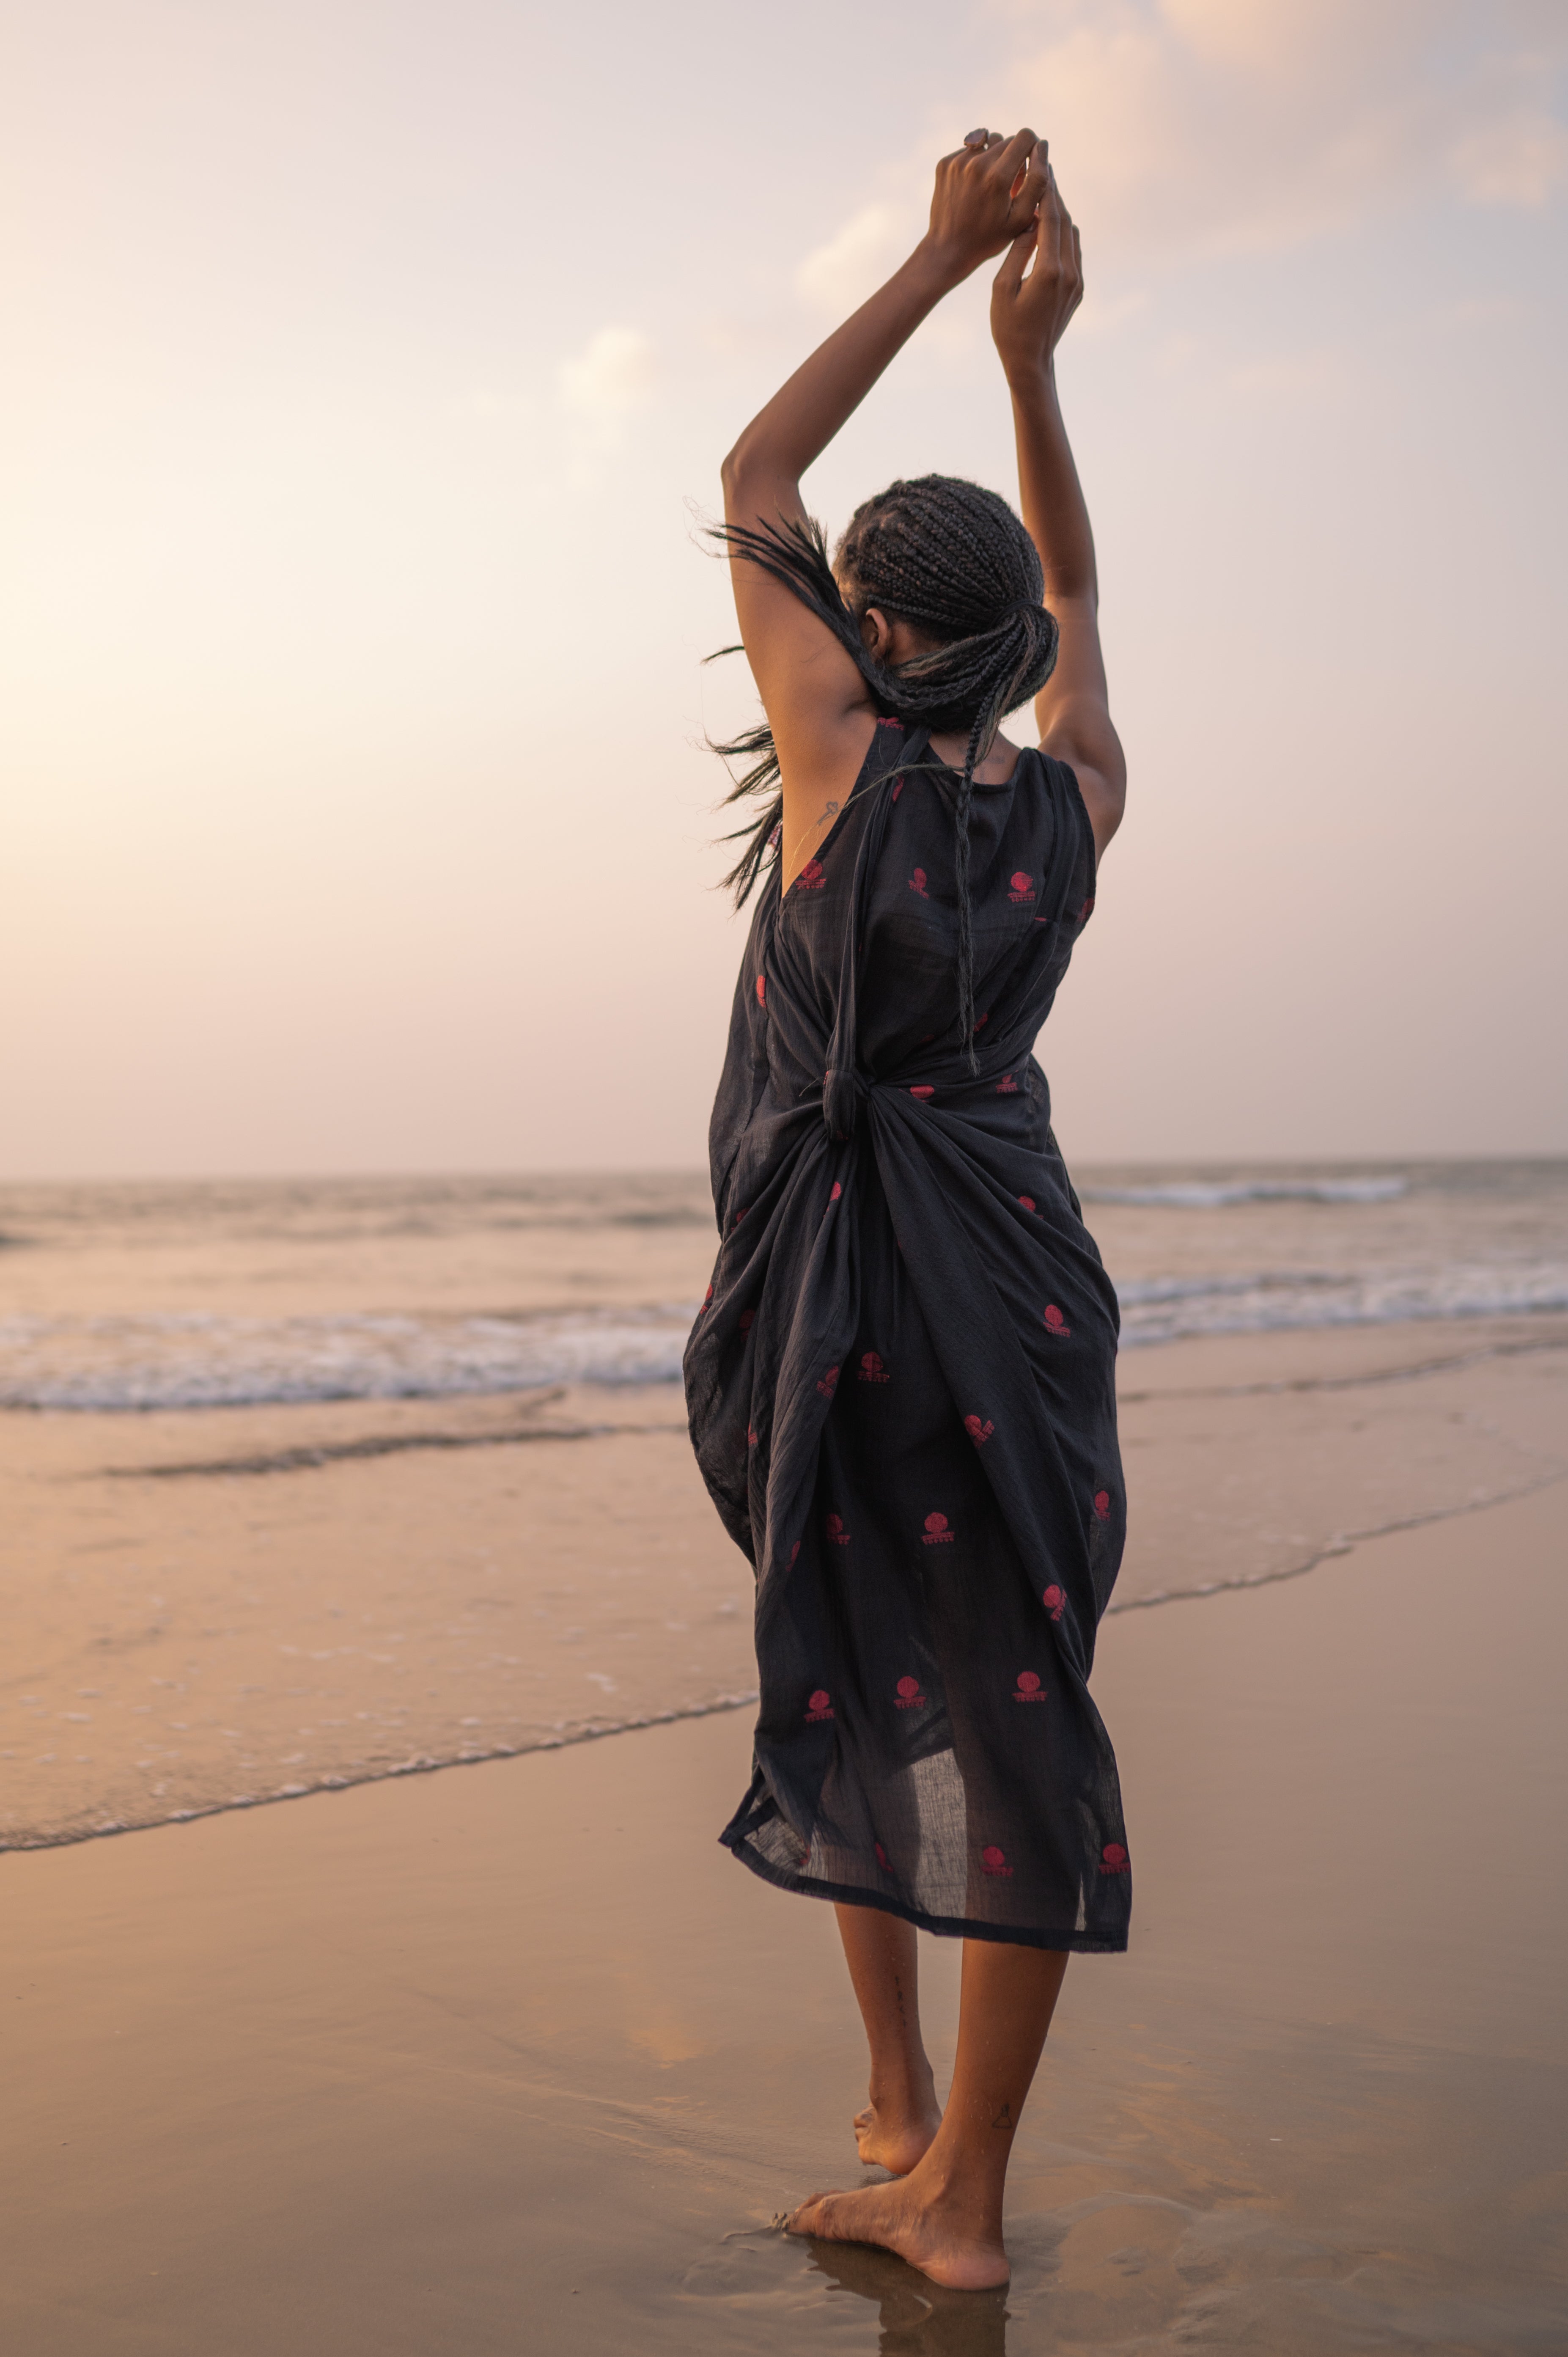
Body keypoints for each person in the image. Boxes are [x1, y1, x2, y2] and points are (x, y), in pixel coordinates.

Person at [682, 128, 1130, 2293]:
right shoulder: (1076, 802)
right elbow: (1087, 615)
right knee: (1014, 1685)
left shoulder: (834, 755)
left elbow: (759, 462)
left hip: (849, 1296)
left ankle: (918, 2145)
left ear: (870, 633)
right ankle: (934, 2154)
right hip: (1023, 1290)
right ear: (1011, 646)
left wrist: (946, 256)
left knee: (853, 1660)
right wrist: (1035, 368)